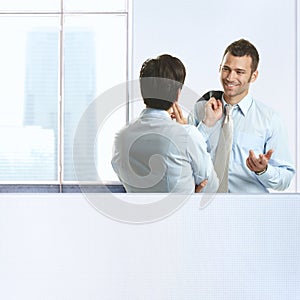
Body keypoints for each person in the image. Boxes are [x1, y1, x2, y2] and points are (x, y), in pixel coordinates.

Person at [185, 38, 295, 193]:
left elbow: (285, 179)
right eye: (226, 69)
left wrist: (263, 170)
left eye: (240, 72)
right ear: (219, 68)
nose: (230, 77)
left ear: (254, 76)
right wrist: (205, 126)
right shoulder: (200, 110)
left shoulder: (270, 120)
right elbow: (183, 161)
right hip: (204, 209)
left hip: (249, 211)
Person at [111, 54, 219, 193]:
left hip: (136, 214)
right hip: (184, 214)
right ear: (177, 94)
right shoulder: (187, 135)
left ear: (143, 91)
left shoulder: (121, 137)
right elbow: (211, 186)